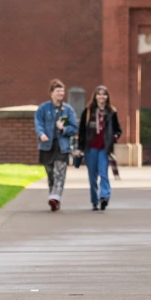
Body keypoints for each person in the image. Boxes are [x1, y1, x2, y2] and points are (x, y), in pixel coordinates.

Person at [34, 79, 77, 211]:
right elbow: (38, 123)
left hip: (62, 146)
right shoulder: (43, 108)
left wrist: (63, 129)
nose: (60, 93)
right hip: (47, 146)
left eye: (62, 91)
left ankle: (55, 196)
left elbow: (74, 127)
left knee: (60, 173)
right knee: (51, 174)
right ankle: (54, 198)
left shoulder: (67, 110)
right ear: (51, 93)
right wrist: (41, 134)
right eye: (58, 91)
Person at [78, 84, 122, 211]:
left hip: (104, 148)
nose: (101, 96)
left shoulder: (111, 112)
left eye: (104, 94)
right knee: (92, 176)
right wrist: (79, 148)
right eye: (99, 94)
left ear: (107, 96)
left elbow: (118, 130)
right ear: (95, 96)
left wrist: (114, 136)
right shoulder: (87, 112)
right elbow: (82, 131)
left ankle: (104, 196)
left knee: (103, 173)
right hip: (90, 148)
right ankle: (94, 200)